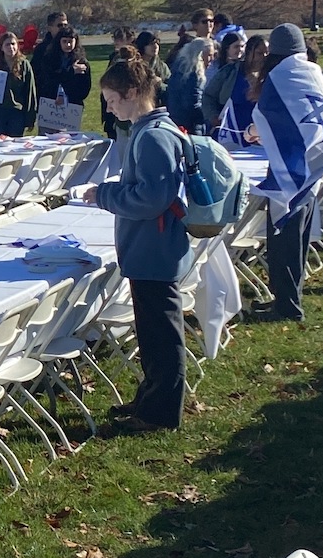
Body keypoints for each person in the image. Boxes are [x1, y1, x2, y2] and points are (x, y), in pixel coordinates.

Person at [76, 56, 189, 432]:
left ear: (135, 93)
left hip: (153, 249)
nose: (108, 107)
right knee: (152, 332)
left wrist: (104, 195)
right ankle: (150, 398)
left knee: (161, 335)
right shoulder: (152, 130)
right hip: (151, 247)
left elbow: (151, 197)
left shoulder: (153, 135)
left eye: (112, 99)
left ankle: (159, 414)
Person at [249, 24, 323, 321]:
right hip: (312, 164)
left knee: (284, 241)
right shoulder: (311, 73)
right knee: (296, 239)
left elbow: (273, 116)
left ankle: (288, 307)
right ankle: (288, 298)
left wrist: (257, 129)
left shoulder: (279, 78)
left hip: (292, 169)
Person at [0, 31, 37, 138]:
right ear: (1, 47)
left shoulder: (24, 65)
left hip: (16, 114)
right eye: (7, 44)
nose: (11, 47)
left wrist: (30, 118)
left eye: (13, 44)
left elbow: (30, 92)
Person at [200, 30, 246, 135]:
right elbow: (208, 94)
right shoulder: (215, 68)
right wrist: (213, 117)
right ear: (227, 48)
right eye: (236, 47)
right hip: (218, 118)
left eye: (242, 46)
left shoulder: (243, 68)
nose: (240, 50)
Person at [166, 36, 213, 136]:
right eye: (209, 55)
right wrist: (210, 116)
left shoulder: (178, 69)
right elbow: (193, 103)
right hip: (191, 126)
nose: (211, 59)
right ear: (199, 54)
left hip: (175, 121)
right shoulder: (195, 75)